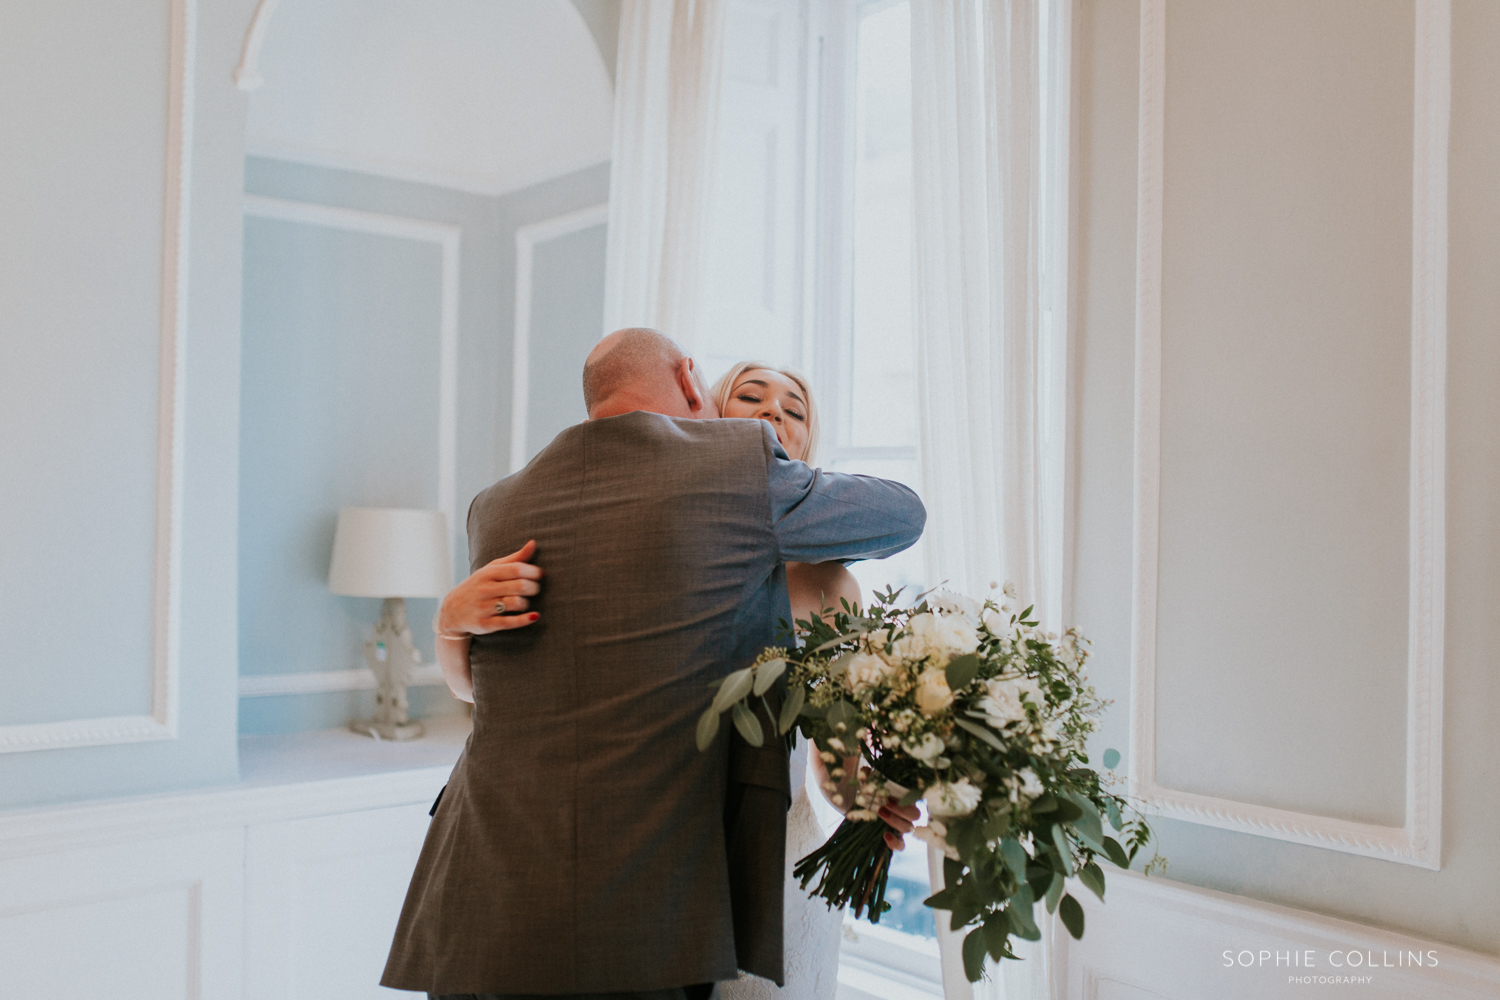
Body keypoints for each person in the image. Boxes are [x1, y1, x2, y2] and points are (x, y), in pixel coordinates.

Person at [381, 329, 926, 1000]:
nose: (770, 418)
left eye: (793, 409)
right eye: (750, 399)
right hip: (639, 891)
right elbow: (484, 692)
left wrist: (871, 798)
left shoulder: (498, 504)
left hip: (697, 874)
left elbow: (833, 762)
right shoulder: (724, 471)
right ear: (702, 394)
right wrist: (448, 622)